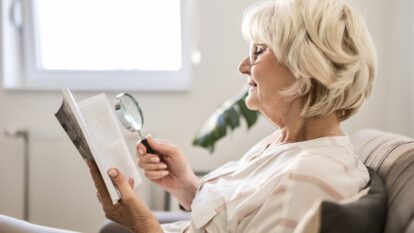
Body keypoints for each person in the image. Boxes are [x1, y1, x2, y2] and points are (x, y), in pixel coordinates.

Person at [0, 0, 377, 232]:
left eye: (259, 51)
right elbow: (234, 220)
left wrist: (141, 221)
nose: (244, 65)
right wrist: (185, 185)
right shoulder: (287, 145)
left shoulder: (308, 179)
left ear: (306, 66)